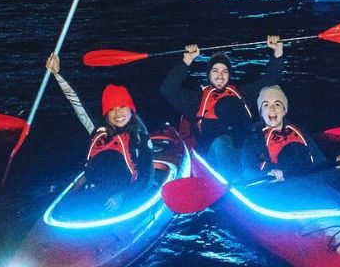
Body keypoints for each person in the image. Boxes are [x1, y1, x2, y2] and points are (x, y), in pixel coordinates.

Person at [160, 36, 284, 176]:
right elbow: (167, 89)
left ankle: (256, 179)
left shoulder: (242, 93)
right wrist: (187, 60)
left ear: (229, 75)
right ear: (208, 75)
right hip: (213, 156)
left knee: (252, 142)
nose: (220, 76)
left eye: (224, 71)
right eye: (215, 71)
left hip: (242, 150)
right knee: (223, 142)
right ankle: (235, 183)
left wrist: (277, 52)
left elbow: (270, 79)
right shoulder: (196, 99)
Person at [45, 54, 154, 211]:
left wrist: (122, 195)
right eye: (112, 109)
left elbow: (146, 177)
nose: (118, 114)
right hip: (95, 188)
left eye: (122, 107)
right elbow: (77, 103)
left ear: (130, 108)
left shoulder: (139, 135)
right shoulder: (98, 130)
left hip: (125, 193)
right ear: (106, 114)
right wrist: (57, 74)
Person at [242, 85, 340, 182]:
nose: (272, 109)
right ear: (261, 111)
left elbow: (320, 167)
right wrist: (266, 175)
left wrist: (336, 166)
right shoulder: (253, 139)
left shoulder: (300, 133)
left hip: (304, 186)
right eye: (266, 105)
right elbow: (248, 172)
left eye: (277, 104)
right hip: (273, 191)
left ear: (284, 110)